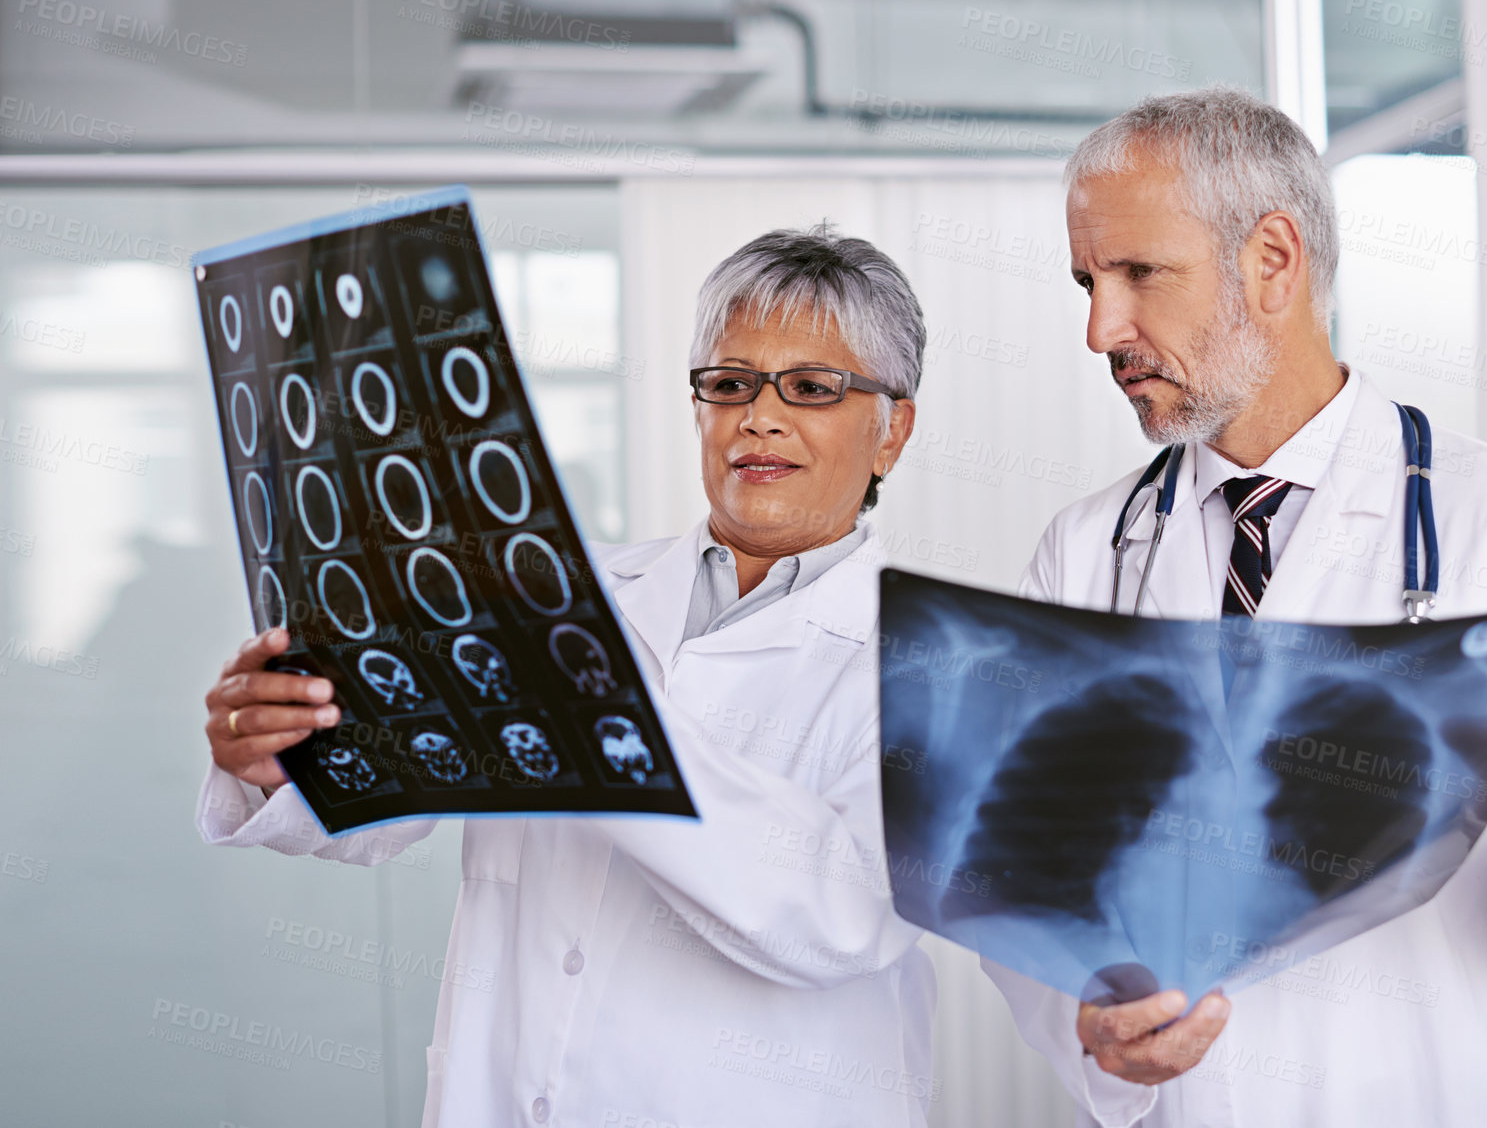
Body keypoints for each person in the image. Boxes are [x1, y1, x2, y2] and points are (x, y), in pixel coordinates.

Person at [986, 87, 1487, 1126]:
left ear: (1273, 261)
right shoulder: (1089, 553)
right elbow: (1032, 882)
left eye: (1139, 273)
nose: (1102, 327)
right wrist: (1088, 1018)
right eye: (1089, 281)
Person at [200, 227, 942, 1127]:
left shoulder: (939, 658)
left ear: (891, 430)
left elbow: (845, 913)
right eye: (729, 383)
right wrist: (284, 756)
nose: (760, 416)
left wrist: (601, 706)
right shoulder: (553, 593)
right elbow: (375, 817)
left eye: (813, 388)